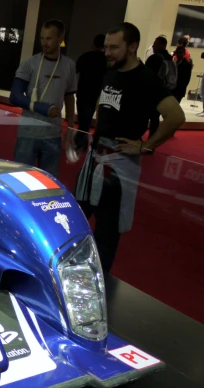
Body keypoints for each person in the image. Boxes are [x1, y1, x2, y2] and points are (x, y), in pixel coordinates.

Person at [75, 22, 185, 276]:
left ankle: (97, 284)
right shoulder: (110, 71)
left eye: (114, 47)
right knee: (75, 217)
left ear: (133, 47)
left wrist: (146, 146)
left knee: (106, 232)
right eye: (106, 47)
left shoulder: (147, 80)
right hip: (95, 158)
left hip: (119, 166)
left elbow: (175, 116)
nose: (108, 52)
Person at [9, 19, 76, 177]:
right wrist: (44, 109)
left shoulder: (69, 65)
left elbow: (69, 97)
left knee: (48, 182)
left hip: (53, 135)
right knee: (21, 179)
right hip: (28, 134)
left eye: (49, 38)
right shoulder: (29, 64)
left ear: (60, 38)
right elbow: (15, 96)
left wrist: (71, 127)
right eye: (42, 38)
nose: (44, 43)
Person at [75, 34, 107, 147]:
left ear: (94, 44)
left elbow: (75, 70)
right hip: (97, 94)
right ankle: (85, 139)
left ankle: (81, 140)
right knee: (89, 118)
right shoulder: (106, 60)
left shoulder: (85, 56)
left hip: (83, 91)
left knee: (83, 118)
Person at [144, 35, 177, 137]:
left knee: (144, 116)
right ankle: (151, 143)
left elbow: (146, 75)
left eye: (155, 44)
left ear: (162, 45)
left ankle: (137, 139)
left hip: (151, 93)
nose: (153, 46)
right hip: (164, 93)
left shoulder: (155, 58)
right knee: (155, 118)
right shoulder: (170, 60)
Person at [172, 37, 193, 103]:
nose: (178, 54)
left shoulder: (187, 64)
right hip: (172, 88)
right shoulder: (173, 61)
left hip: (179, 89)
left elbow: (186, 79)